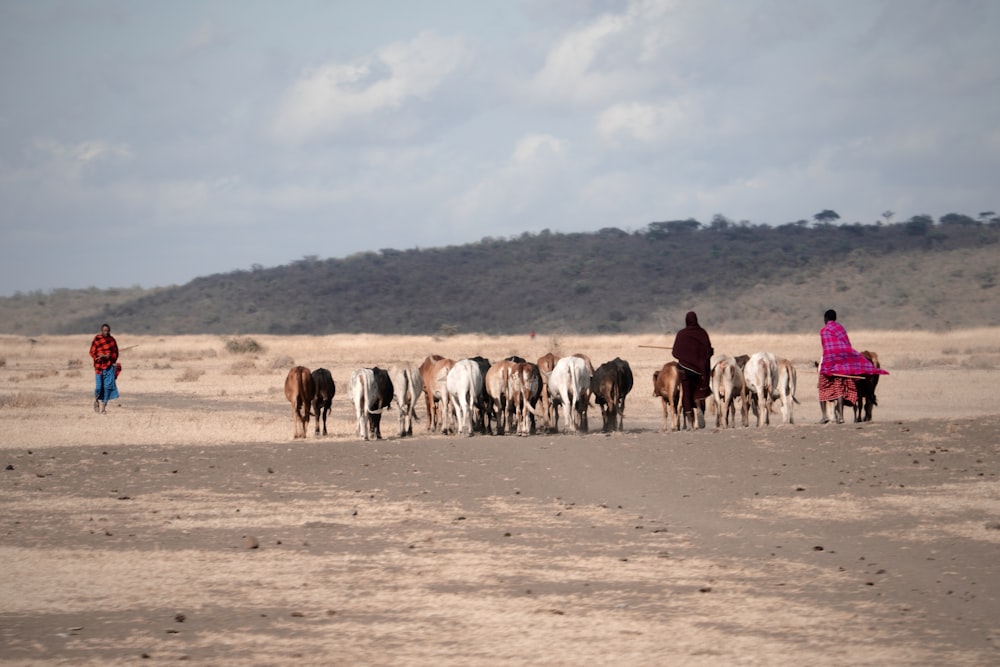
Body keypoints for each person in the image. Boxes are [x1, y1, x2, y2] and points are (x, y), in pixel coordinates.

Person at [817, 309, 887, 424]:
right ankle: (841, 417)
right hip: (841, 366)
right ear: (835, 318)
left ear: (825, 319)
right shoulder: (841, 329)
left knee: (822, 389)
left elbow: (826, 348)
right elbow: (847, 345)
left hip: (828, 365)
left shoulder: (823, 331)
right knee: (839, 389)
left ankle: (824, 416)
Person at [672, 311, 714, 429]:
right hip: (700, 370)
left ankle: (690, 419)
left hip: (685, 370)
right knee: (698, 391)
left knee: (686, 393)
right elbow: (708, 351)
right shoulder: (702, 333)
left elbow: (675, 352)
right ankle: (699, 407)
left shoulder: (681, 334)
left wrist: (685, 355)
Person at [89, 322, 119, 413]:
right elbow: (92, 352)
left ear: (109, 331)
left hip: (109, 367)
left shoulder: (112, 340)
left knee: (107, 387)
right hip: (99, 367)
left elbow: (115, 353)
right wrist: (99, 355)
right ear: (101, 331)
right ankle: (96, 401)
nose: (106, 332)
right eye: (104, 330)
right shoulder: (97, 339)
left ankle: (103, 408)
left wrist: (109, 356)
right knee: (98, 387)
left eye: (107, 330)